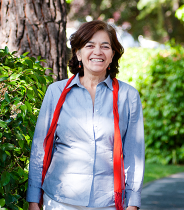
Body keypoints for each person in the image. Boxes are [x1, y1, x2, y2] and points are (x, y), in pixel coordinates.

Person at [26, 20, 144, 210]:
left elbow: (133, 154)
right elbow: (40, 148)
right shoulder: (56, 92)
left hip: (108, 203)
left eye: (105, 46)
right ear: (78, 53)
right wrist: (33, 199)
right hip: (58, 200)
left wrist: (132, 204)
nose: (98, 52)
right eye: (90, 45)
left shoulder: (128, 96)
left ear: (113, 54)